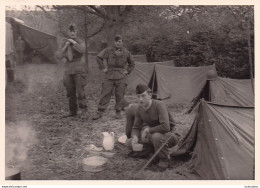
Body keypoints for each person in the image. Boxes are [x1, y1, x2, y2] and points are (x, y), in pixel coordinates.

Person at [130, 84, 179, 169]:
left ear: (150, 95)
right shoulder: (139, 108)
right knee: (129, 143)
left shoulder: (159, 105)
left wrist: (148, 130)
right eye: (138, 96)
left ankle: (164, 159)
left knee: (156, 137)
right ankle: (155, 150)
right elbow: (136, 127)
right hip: (152, 136)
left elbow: (166, 127)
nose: (141, 99)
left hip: (169, 135)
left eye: (143, 96)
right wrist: (135, 137)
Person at [92, 35, 135, 120]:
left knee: (119, 94)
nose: (118, 43)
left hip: (121, 75)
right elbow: (98, 57)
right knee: (105, 93)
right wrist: (103, 68)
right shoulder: (108, 50)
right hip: (109, 75)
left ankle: (118, 112)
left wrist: (127, 71)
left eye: (120, 41)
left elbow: (132, 63)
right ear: (114, 42)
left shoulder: (126, 52)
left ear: (122, 42)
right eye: (116, 41)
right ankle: (100, 112)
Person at [55, 23, 87, 118]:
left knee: (80, 90)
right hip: (68, 70)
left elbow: (82, 50)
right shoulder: (64, 42)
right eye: (70, 31)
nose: (72, 33)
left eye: (74, 31)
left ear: (76, 31)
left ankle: (83, 110)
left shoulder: (80, 41)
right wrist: (66, 46)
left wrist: (73, 43)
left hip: (78, 68)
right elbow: (58, 56)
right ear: (68, 32)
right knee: (70, 91)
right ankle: (73, 111)